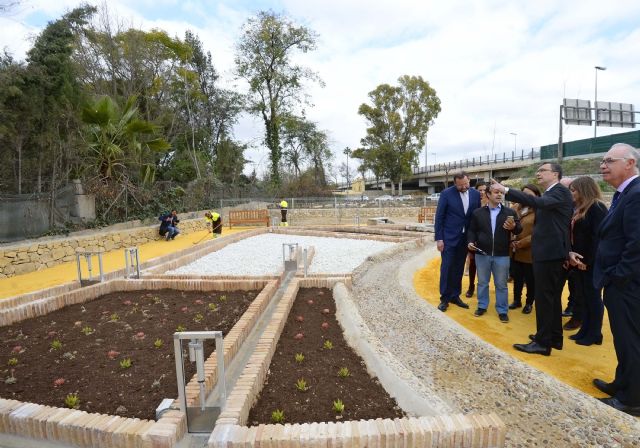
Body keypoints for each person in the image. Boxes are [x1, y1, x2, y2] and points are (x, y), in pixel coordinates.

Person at [491, 162, 573, 356]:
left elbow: (537, 203)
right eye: (538, 170)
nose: (538, 173)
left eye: (542, 170)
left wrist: (505, 190)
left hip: (549, 253)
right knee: (549, 298)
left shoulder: (559, 192)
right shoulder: (551, 193)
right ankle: (552, 337)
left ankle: (543, 343)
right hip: (548, 252)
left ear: (555, 174)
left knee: (545, 299)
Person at [592, 143, 640, 416]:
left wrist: (617, 277)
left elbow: (637, 245)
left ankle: (633, 399)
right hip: (620, 282)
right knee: (622, 339)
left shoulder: (636, 195)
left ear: (630, 163)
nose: (603, 165)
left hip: (627, 285)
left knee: (630, 340)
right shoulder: (625, 194)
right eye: (602, 160)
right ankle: (622, 383)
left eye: (609, 160)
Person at [467, 184, 522, 322]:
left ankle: (502, 310)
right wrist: (470, 241)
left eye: (501, 193)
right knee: (483, 282)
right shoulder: (478, 213)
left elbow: (518, 230)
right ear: (488, 195)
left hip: (502, 254)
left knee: (501, 284)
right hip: (482, 254)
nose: (499, 195)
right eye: (496, 192)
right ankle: (482, 306)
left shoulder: (510, 212)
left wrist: (514, 226)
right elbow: (472, 230)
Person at [566, 176, 607, 346]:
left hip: (591, 263)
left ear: (583, 190)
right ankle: (585, 330)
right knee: (585, 297)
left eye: (574, 190)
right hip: (580, 262)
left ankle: (595, 334)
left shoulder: (597, 207)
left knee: (593, 298)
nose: (572, 194)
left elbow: (598, 239)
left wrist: (588, 261)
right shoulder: (581, 208)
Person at [434, 171, 482, 312]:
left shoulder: (474, 194)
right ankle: (444, 298)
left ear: (469, 181)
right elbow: (439, 217)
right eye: (460, 185)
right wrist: (439, 238)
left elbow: (476, 216)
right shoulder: (446, 194)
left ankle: (455, 295)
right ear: (455, 184)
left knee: (459, 267)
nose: (464, 187)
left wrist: (475, 238)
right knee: (447, 268)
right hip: (448, 238)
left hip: (465, 238)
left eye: (466, 184)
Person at [508, 184, 541, 314]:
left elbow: (538, 233)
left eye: (530, 194)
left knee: (530, 279)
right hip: (514, 250)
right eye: (524, 194)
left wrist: (521, 243)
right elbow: (508, 225)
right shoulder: (515, 208)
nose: (526, 197)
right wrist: (511, 240)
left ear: (537, 196)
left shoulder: (539, 210)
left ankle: (529, 303)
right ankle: (516, 300)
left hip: (529, 251)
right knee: (517, 277)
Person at [465, 180, 488, 298]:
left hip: (486, 239)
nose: (482, 192)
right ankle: (471, 286)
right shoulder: (472, 202)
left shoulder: (490, 203)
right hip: (473, 237)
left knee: (485, 264)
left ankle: (482, 287)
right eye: (480, 190)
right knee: (473, 262)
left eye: (484, 190)